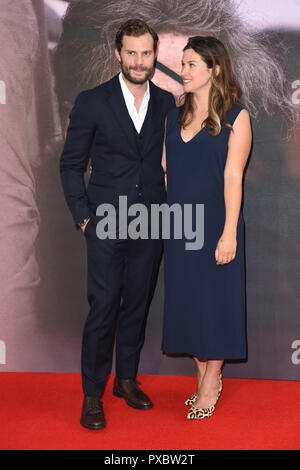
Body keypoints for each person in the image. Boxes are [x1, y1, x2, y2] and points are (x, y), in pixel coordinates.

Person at [60, 19, 175, 430]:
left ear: (155, 54)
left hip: (151, 222)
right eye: (131, 52)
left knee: (137, 305)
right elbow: (72, 165)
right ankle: (92, 394)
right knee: (105, 306)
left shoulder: (166, 103)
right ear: (118, 54)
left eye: (146, 53)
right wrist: (83, 218)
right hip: (105, 222)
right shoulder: (92, 101)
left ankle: (125, 380)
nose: (139, 61)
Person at [161, 36, 252, 419]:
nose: (183, 71)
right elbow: (166, 170)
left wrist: (229, 231)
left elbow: (234, 177)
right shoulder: (172, 116)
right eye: (182, 64)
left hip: (216, 224)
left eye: (191, 64)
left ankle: (211, 381)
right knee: (188, 303)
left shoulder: (236, 116)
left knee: (214, 304)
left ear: (214, 68)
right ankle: (203, 377)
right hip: (179, 227)